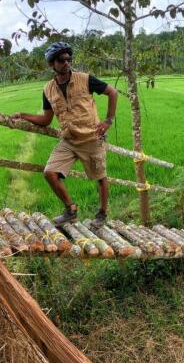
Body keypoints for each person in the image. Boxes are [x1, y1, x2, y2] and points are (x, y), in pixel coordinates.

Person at [11, 42, 118, 227]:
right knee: (49, 173)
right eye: (62, 59)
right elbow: (46, 119)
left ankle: (102, 213)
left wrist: (108, 120)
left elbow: (112, 92)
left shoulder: (85, 79)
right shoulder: (48, 89)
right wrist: (23, 115)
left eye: (69, 58)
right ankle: (71, 209)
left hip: (91, 138)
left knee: (100, 178)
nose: (66, 62)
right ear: (52, 63)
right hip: (68, 140)